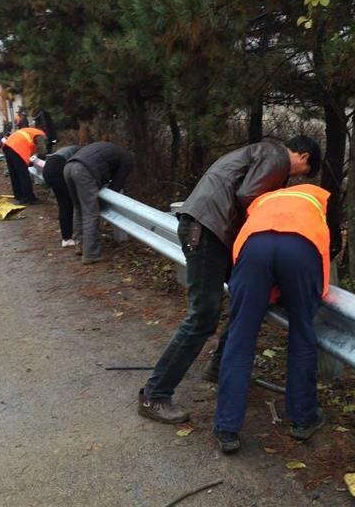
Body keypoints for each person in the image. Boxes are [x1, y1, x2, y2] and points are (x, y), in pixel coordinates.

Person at [138, 135, 323, 425]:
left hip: (212, 229)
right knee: (203, 317)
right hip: (208, 229)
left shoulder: (260, 152)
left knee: (249, 297)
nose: (295, 179)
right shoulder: (277, 157)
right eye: (303, 172)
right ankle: (154, 394)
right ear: (304, 157)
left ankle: (220, 366)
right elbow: (247, 195)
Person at [212, 184, 333, 453]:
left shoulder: (262, 201)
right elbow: (320, 261)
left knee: (240, 336)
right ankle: (304, 418)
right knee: (302, 332)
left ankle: (227, 428)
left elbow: (247, 253)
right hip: (302, 247)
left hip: (254, 247)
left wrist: (265, 292)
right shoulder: (316, 199)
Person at [63, 141, 133, 265]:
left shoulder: (110, 149)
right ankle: (91, 254)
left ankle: (80, 244)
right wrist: (103, 204)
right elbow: (115, 186)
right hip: (84, 171)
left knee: (78, 208)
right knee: (91, 213)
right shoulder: (127, 161)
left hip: (69, 166)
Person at [41, 145, 79, 247]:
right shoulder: (80, 152)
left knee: (64, 204)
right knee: (67, 204)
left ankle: (66, 237)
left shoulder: (69, 149)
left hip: (47, 169)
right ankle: (67, 237)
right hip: (58, 169)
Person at [2, 127, 47, 204]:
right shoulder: (41, 134)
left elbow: (32, 147)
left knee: (14, 174)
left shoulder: (30, 131)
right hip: (18, 149)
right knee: (23, 174)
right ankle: (28, 198)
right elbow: (41, 150)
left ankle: (18, 195)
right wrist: (43, 157)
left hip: (8, 146)